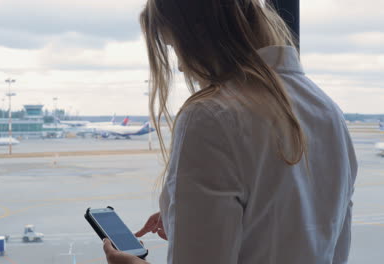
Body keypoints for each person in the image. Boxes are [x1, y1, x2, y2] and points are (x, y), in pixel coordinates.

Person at [103, 0, 357, 263]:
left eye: (174, 46)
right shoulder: (328, 110)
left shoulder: (211, 117)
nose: (179, 65)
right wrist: (186, 218)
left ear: (199, 35)